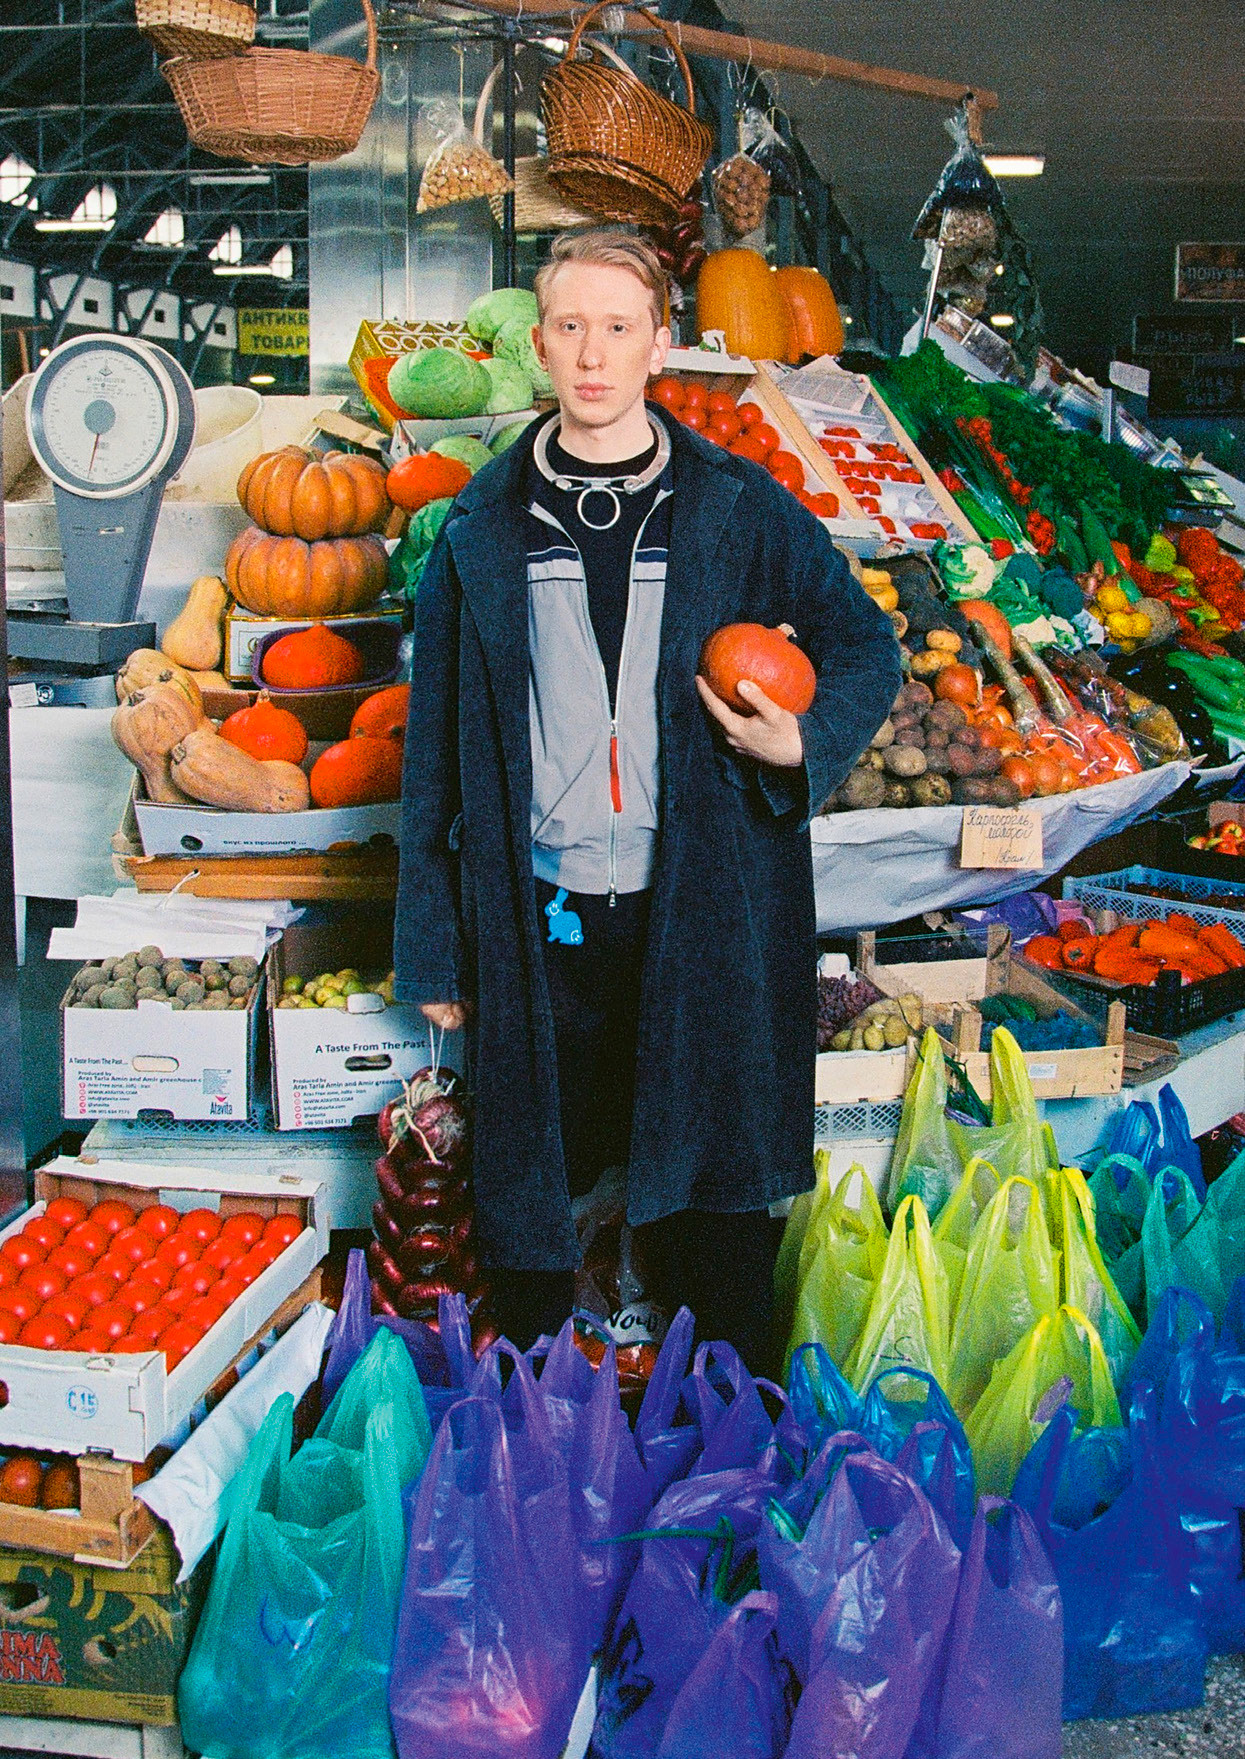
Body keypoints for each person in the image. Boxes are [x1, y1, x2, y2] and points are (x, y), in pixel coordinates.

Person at [395, 228, 900, 1368]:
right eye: (570, 326)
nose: (592, 354)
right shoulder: (481, 524)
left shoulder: (737, 504)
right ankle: (543, 1422)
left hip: (703, 908)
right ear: (538, 343)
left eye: (618, 328)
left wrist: (799, 740)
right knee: (536, 1195)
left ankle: (727, 1425)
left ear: (659, 345)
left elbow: (865, 644)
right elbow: (433, 750)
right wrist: (430, 948)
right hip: (541, 914)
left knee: (711, 1198)